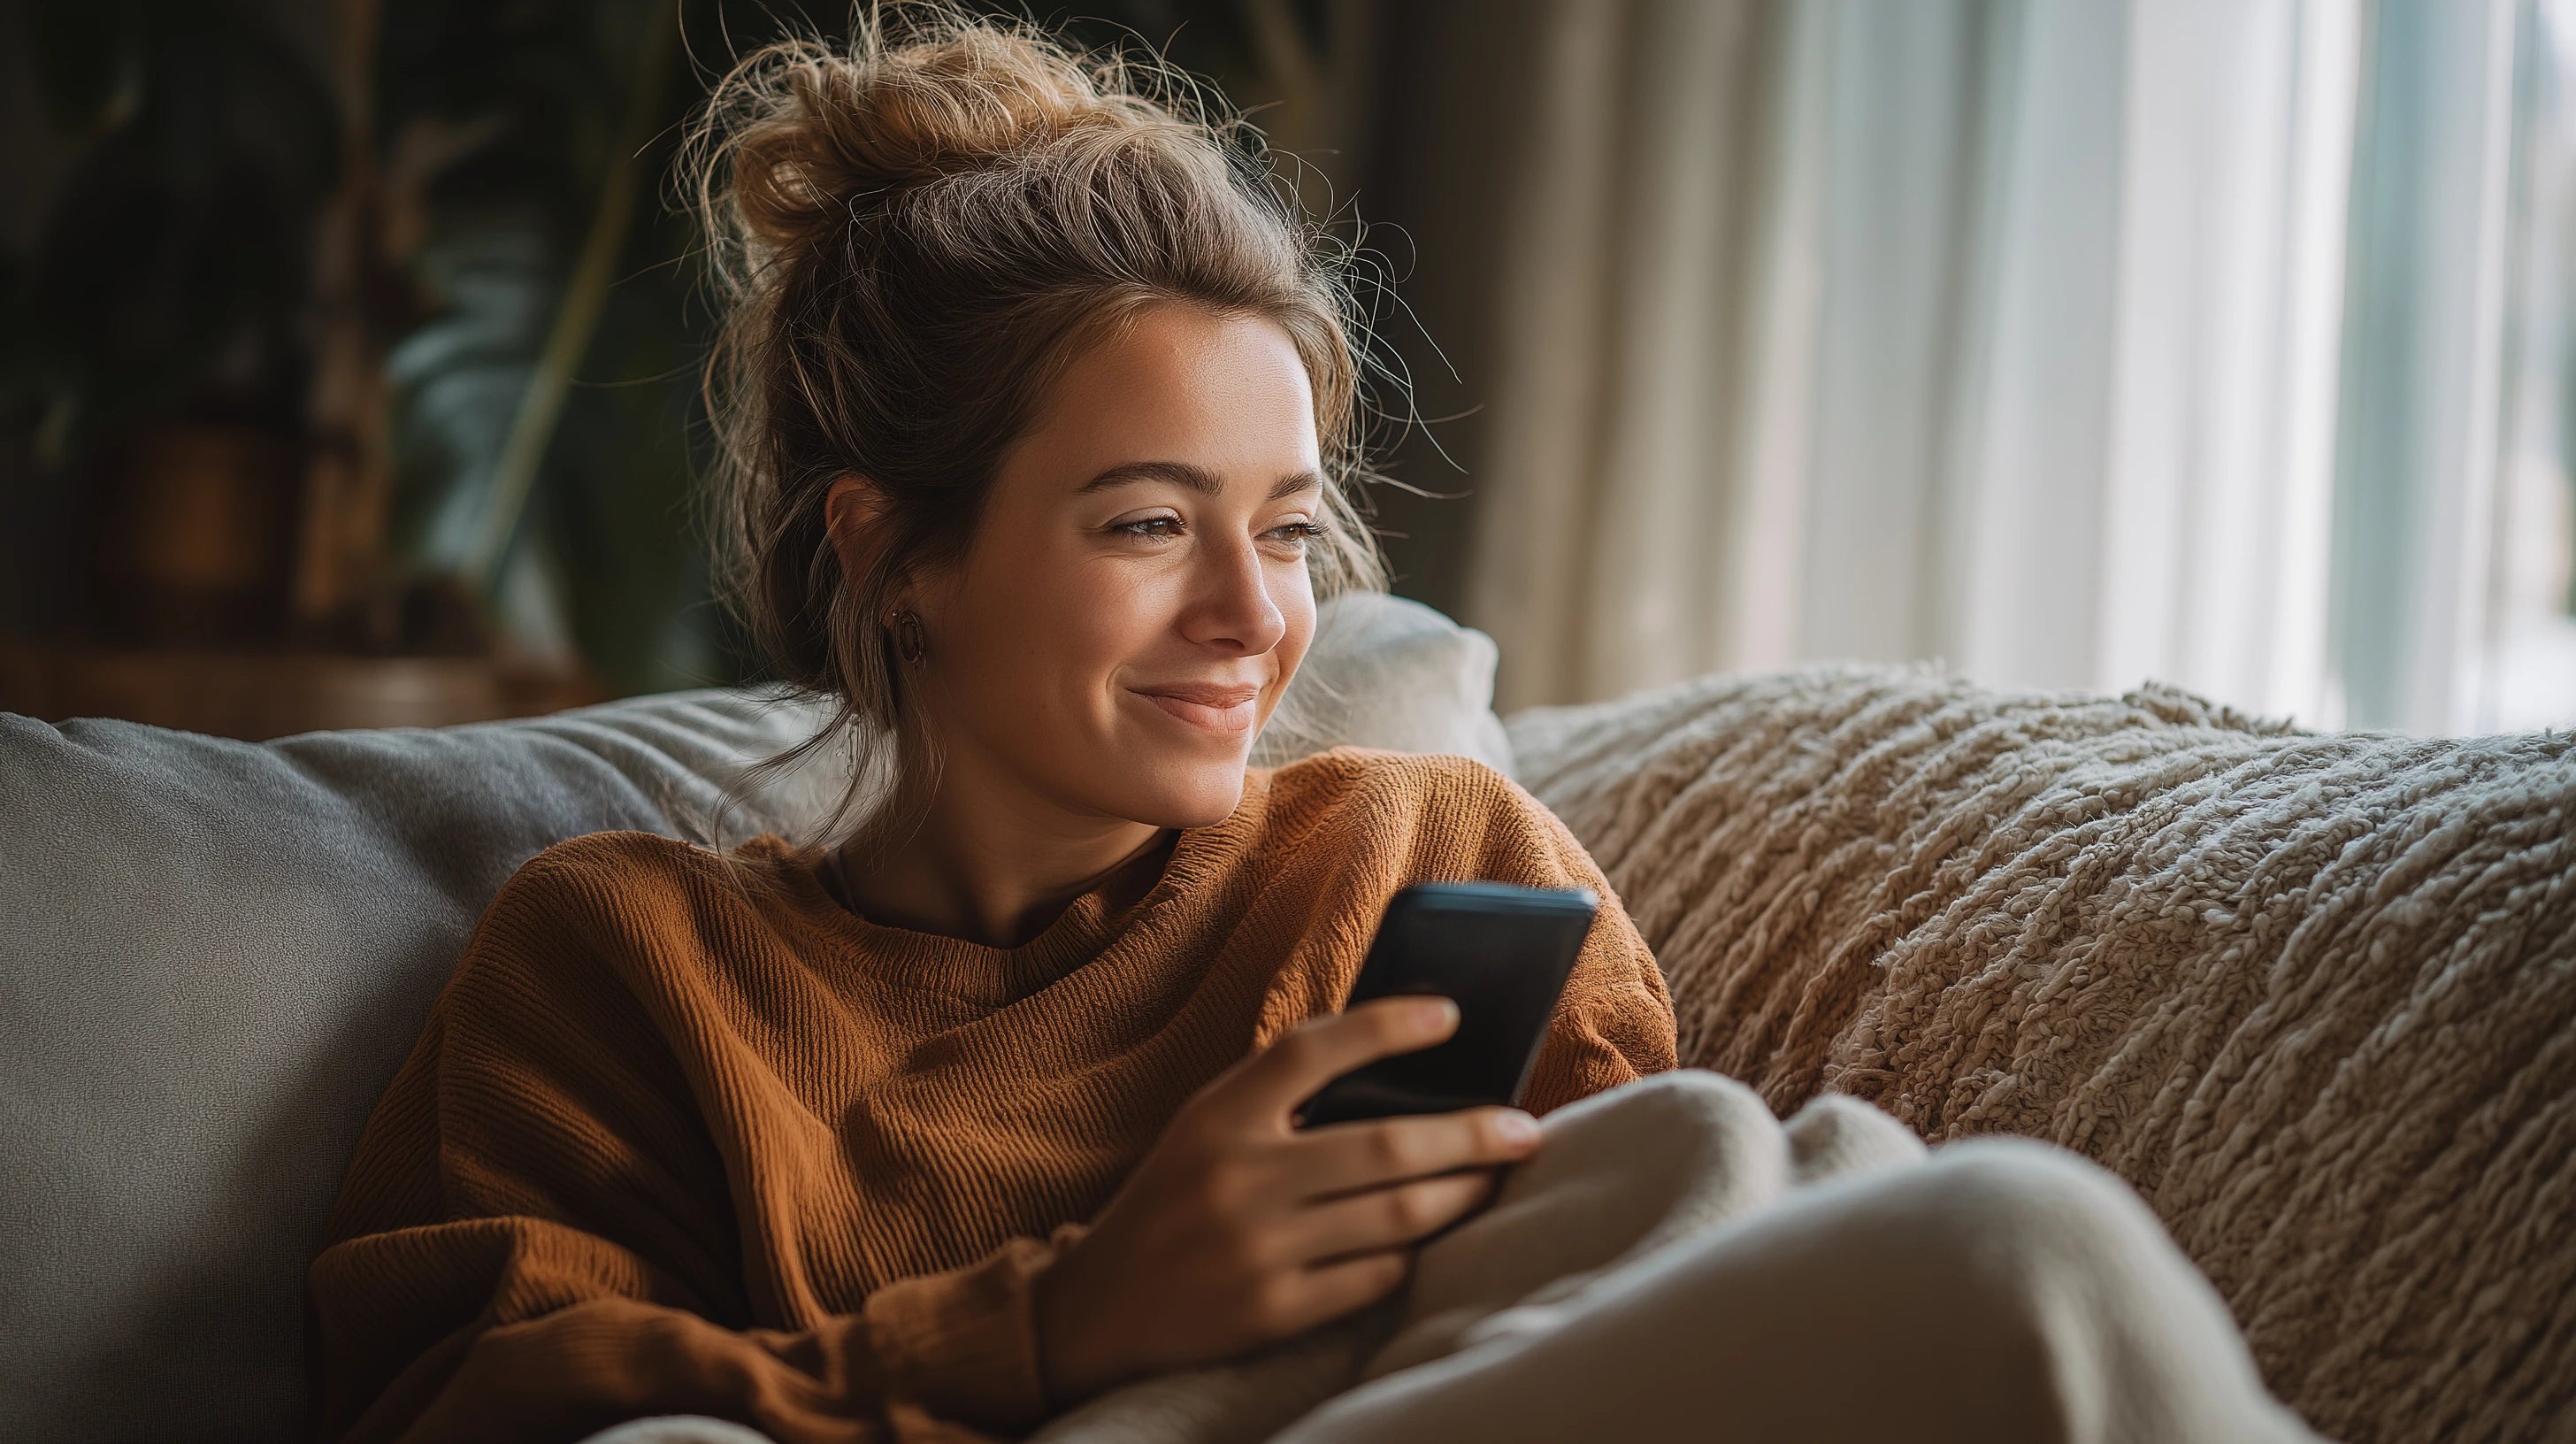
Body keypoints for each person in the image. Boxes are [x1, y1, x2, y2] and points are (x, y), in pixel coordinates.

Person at [308, 12, 2318, 1444]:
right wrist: (1067, 1324)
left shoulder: (1422, 860)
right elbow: (473, 1411)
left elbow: (1625, 1308)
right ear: (897, 554)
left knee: (1805, 1184)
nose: (1253, 613)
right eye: (1148, 524)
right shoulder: (629, 962)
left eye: (1280, 529)